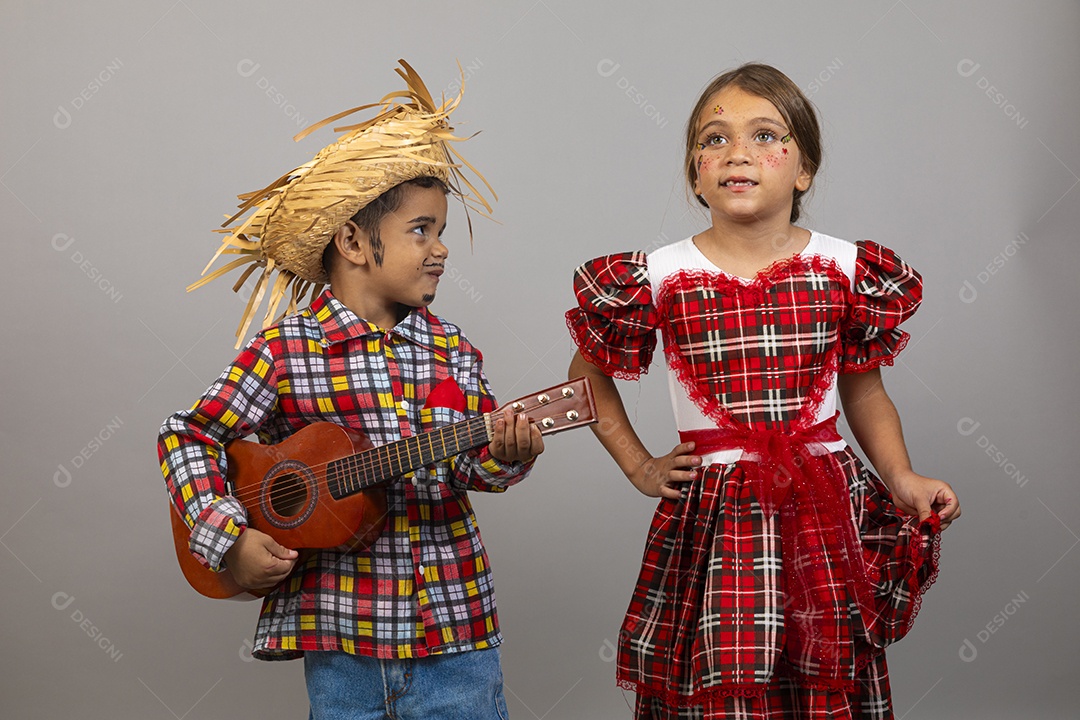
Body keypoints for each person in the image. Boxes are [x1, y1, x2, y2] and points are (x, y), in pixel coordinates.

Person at [566, 63, 960, 719]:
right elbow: (587, 376)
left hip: (822, 507)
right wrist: (639, 465)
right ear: (695, 174)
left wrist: (901, 477)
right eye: (714, 139)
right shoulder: (657, 275)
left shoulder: (845, 269)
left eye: (766, 135)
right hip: (718, 514)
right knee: (720, 670)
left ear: (805, 170)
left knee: (822, 662)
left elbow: (864, 393)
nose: (737, 153)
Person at [158, 61, 542, 719]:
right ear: (354, 241)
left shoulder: (452, 351)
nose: (441, 249)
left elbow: (470, 467)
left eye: (442, 232)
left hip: (452, 627)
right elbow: (187, 436)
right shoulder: (286, 350)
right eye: (421, 230)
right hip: (340, 635)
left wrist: (506, 454)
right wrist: (228, 537)